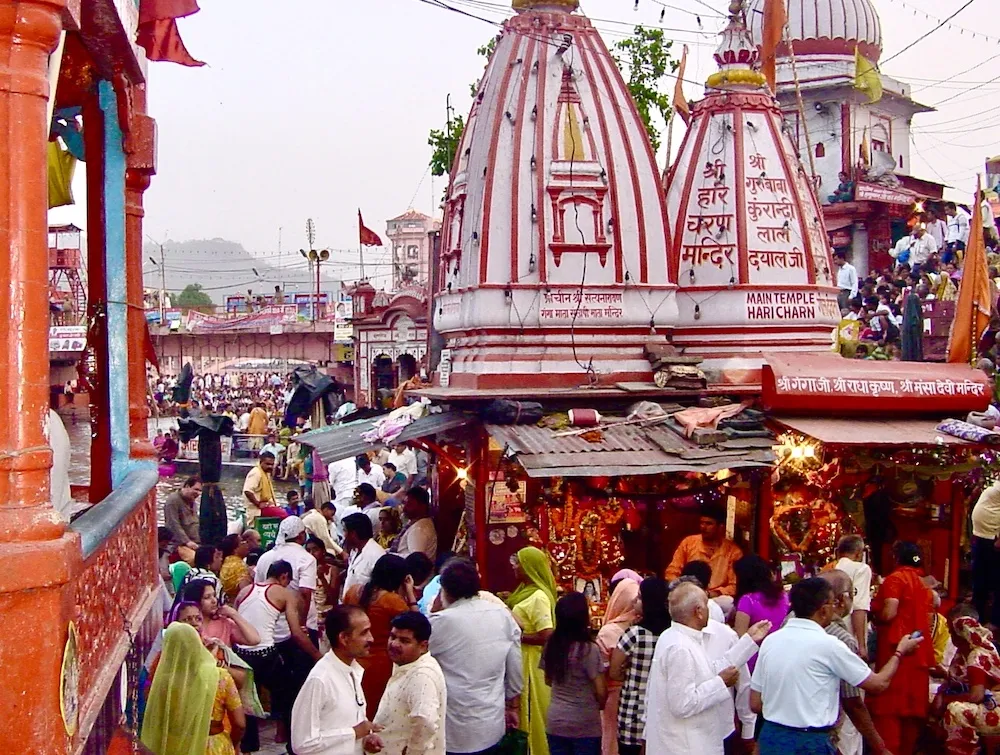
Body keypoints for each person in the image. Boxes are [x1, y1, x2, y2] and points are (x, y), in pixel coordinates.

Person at [750, 576, 923, 755]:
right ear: (823, 610)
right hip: (810, 743)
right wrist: (899, 652)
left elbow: (755, 703)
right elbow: (878, 684)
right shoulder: (830, 644)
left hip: (771, 738)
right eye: (833, 603)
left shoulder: (771, 641)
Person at [643, 581, 768, 755]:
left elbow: (708, 671)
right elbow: (682, 704)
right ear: (699, 612)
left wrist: (748, 642)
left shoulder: (679, 637)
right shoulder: (680, 647)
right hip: (684, 746)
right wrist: (721, 683)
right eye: (707, 603)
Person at [428, 557, 523, 755]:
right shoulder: (501, 614)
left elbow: (419, 656)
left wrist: (435, 610)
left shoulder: (441, 621)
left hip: (453, 725)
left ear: (444, 590)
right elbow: (514, 665)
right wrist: (513, 705)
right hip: (491, 722)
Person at [234, 559, 312, 753]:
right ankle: (293, 745)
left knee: (248, 700)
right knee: (290, 696)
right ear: (284, 576)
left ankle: (248, 747)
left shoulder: (245, 592)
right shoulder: (285, 594)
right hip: (265, 654)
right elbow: (296, 633)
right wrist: (318, 656)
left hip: (241, 653)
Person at [869, 541, 936, 754]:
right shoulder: (923, 584)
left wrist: (874, 613)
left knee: (889, 713)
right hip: (918, 655)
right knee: (911, 720)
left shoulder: (895, 579)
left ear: (897, 558)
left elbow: (889, 612)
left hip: (896, 655)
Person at [141, 623, 246, 755]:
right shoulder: (220, 677)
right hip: (213, 747)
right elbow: (240, 724)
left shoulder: (161, 682)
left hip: (174, 746)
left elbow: (155, 719)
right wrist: (233, 743)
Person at [291, 605, 382, 755]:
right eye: (364, 633)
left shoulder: (353, 670)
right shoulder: (320, 679)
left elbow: (346, 723)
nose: (371, 638)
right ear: (344, 638)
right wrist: (353, 733)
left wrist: (365, 740)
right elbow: (302, 743)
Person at [344, 554, 418, 718]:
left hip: (352, 660)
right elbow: (417, 625)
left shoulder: (353, 591)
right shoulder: (392, 601)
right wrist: (410, 593)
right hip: (380, 665)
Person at [366, 612, 447, 755]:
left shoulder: (422, 676)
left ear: (423, 646)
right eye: (392, 637)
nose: (394, 644)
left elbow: (425, 721)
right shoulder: (405, 663)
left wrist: (413, 751)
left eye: (404, 641)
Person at [610, 578, 670, 755]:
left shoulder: (634, 634)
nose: (635, 602)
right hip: (661, 712)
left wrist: (627, 675)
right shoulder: (672, 633)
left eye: (640, 598)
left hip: (633, 711)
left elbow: (614, 671)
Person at [542, 592, 607, 755]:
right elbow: (601, 691)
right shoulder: (589, 649)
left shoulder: (551, 645)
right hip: (585, 723)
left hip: (556, 720)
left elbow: (548, 680)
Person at [508, 546, 557, 755]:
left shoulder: (539, 597)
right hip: (521, 658)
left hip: (531, 664)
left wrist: (516, 636)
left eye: (518, 563)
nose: (515, 567)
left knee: (530, 713)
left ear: (528, 567)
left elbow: (546, 634)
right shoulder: (524, 592)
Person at [938, 604, 1000, 753]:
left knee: (956, 711)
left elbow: (976, 696)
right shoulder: (961, 653)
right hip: (984, 704)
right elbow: (952, 683)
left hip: (994, 705)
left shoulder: (977, 654)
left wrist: (947, 700)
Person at [665, 507, 742, 605]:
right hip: (688, 595)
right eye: (702, 523)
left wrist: (711, 594)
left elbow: (734, 585)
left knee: (728, 603)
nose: (703, 527)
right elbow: (671, 572)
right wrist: (684, 589)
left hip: (716, 599)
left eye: (709, 524)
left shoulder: (733, 551)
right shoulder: (688, 543)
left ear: (720, 527)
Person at [597, 579, 640, 755]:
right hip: (636, 697)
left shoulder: (608, 632)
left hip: (612, 697)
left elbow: (603, 671)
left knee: (611, 739)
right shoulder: (642, 630)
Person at [732, 554, 788, 671]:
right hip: (780, 656)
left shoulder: (747, 600)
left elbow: (741, 638)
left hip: (755, 661)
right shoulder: (783, 596)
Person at [183, 578, 260, 649]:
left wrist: (233, 614)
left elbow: (254, 639)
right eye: (207, 597)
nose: (214, 601)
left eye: (214, 595)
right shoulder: (186, 624)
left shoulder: (224, 623)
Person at [830, 534, 873, 658]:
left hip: (829, 631)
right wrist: (861, 645)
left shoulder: (828, 569)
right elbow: (859, 607)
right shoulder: (861, 569)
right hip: (848, 633)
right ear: (859, 553)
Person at [971, 480, 1000, 631]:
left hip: (993, 539)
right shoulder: (995, 480)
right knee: (979, 578)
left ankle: (995, 621)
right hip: (982, 536)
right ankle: (977, 616)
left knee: (997, 582)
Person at [343, 512, 388, 599]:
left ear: (353, 534)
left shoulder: (376, 555)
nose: (344, 535)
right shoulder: (355, 551)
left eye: (345, 531)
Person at [392, 487, 437, 561]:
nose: (405, 508)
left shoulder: (419, 529)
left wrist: (391, 555)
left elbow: (415, 561)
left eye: (410, 504)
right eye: (405, 503)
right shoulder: (416, 522)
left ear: (422, 506)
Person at [164, 476, 202, 550]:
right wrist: (187, 542)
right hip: (180, 544)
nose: (198, 493)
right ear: (187, 486)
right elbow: (173, 524)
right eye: (196, 489)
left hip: (196, 542)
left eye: (200, 491)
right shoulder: (173, 500)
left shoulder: (192, 500)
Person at [242, 451, 277, 526]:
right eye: (267, 464)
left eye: (272, 464)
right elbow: (247, 491)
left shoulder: (266, 473)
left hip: (265, 506)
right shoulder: (256, 473)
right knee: (283, 514)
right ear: (261, 462)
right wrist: (258, 504)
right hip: (256, 509)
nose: (270, 466)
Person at [218, 534, 252, 603]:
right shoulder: (239, 566)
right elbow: (246, 593)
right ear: (235, 549)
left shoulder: (225, 563)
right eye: (242, 541)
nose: (246, 543)